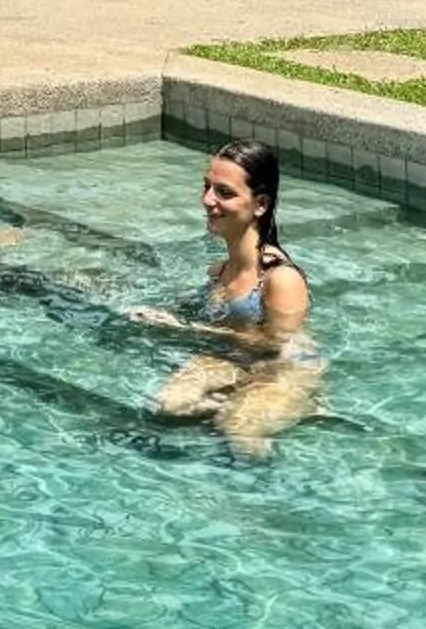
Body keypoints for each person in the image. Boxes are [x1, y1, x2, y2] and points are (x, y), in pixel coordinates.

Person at [130, 140, 320, 458]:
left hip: (283, 370)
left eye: (224, 192)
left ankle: (288, 417)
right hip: (230, 358)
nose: (207, 200)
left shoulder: (280, 279)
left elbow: (274, 346)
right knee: (168, 405)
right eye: (207, 187)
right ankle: (233, 403)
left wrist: (182, 329)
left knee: (239, 430)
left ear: (260, 204)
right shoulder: (220, 271)